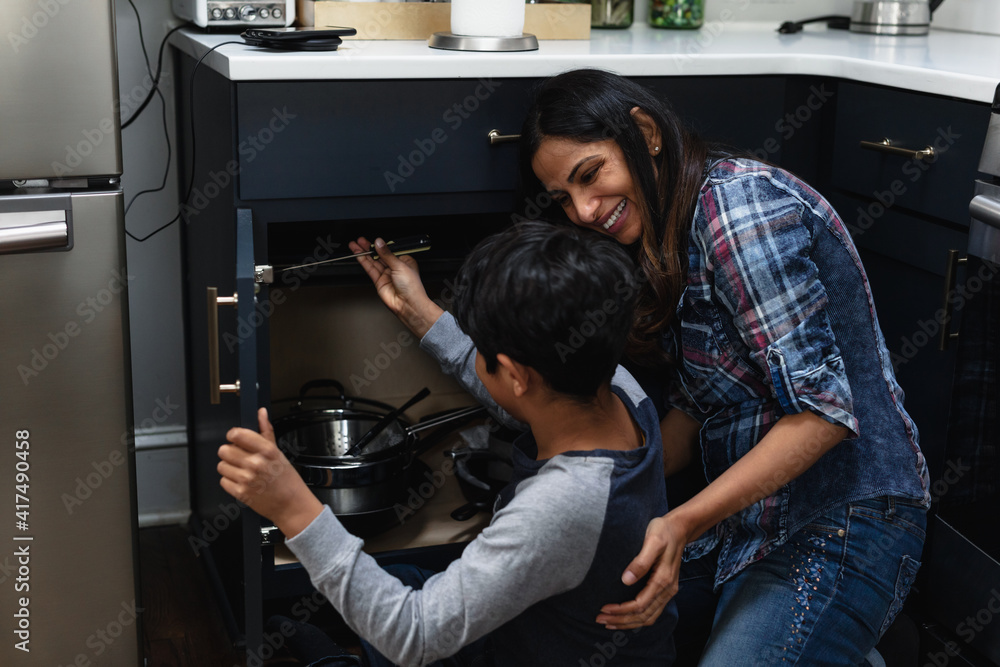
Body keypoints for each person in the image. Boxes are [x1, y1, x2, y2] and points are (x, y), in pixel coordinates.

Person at [354, 68, 930, 665]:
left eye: (590, 174)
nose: (582, 209)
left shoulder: (740, 214)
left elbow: (823, 416)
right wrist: (427, 318)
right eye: (563, 197)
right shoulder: (662, 233)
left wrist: (677, 524)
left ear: (646, 133)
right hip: (743, 522)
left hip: (843, 520)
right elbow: (656, 412)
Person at [218, 221, 678, 667]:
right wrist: (417, 311)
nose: (474, 355)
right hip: (540, 631)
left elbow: (414, 635)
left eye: (482, 350)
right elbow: (518, 397)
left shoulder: (560, 506)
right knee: (395, 581)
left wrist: (293, 507)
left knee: (400, 622)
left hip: (530, 652)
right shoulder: (617, 385)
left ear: (516, 375)